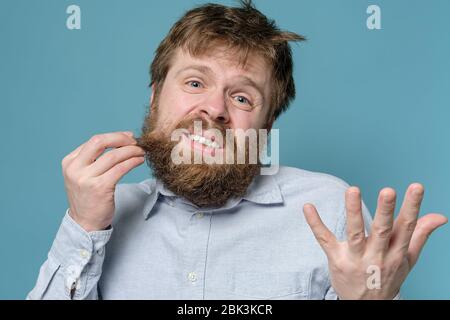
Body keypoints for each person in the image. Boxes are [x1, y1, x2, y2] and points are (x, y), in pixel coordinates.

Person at [28, 0, 447, 300]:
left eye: (242, 98)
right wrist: (83, 228)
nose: (214, 110)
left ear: (264, 128)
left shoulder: (332, 210)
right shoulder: (104, 214)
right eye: (195, 83)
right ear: (155, 97)